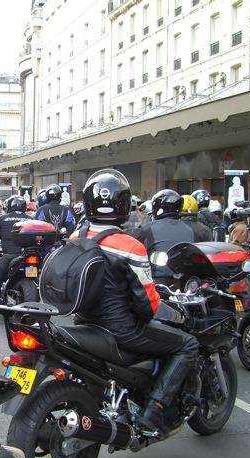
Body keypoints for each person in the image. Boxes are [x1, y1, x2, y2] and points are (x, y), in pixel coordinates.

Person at [76, 169, 198, 435]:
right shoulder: (130, 246)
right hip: (121, 331)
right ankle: (153, 413)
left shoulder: (77, 237)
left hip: (83, 323)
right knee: (189, 344)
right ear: (123, 205)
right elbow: (148, 306)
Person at [135, 189, 201, 286]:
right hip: (187, 284)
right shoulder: (192, 231)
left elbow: (135, 256)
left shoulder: (147, 229)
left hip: (156, 283)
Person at [0, 195, 30, 320]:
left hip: (9, 255)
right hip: (28, 256)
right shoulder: (30, 219)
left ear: (9, 206)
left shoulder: (3, 218)